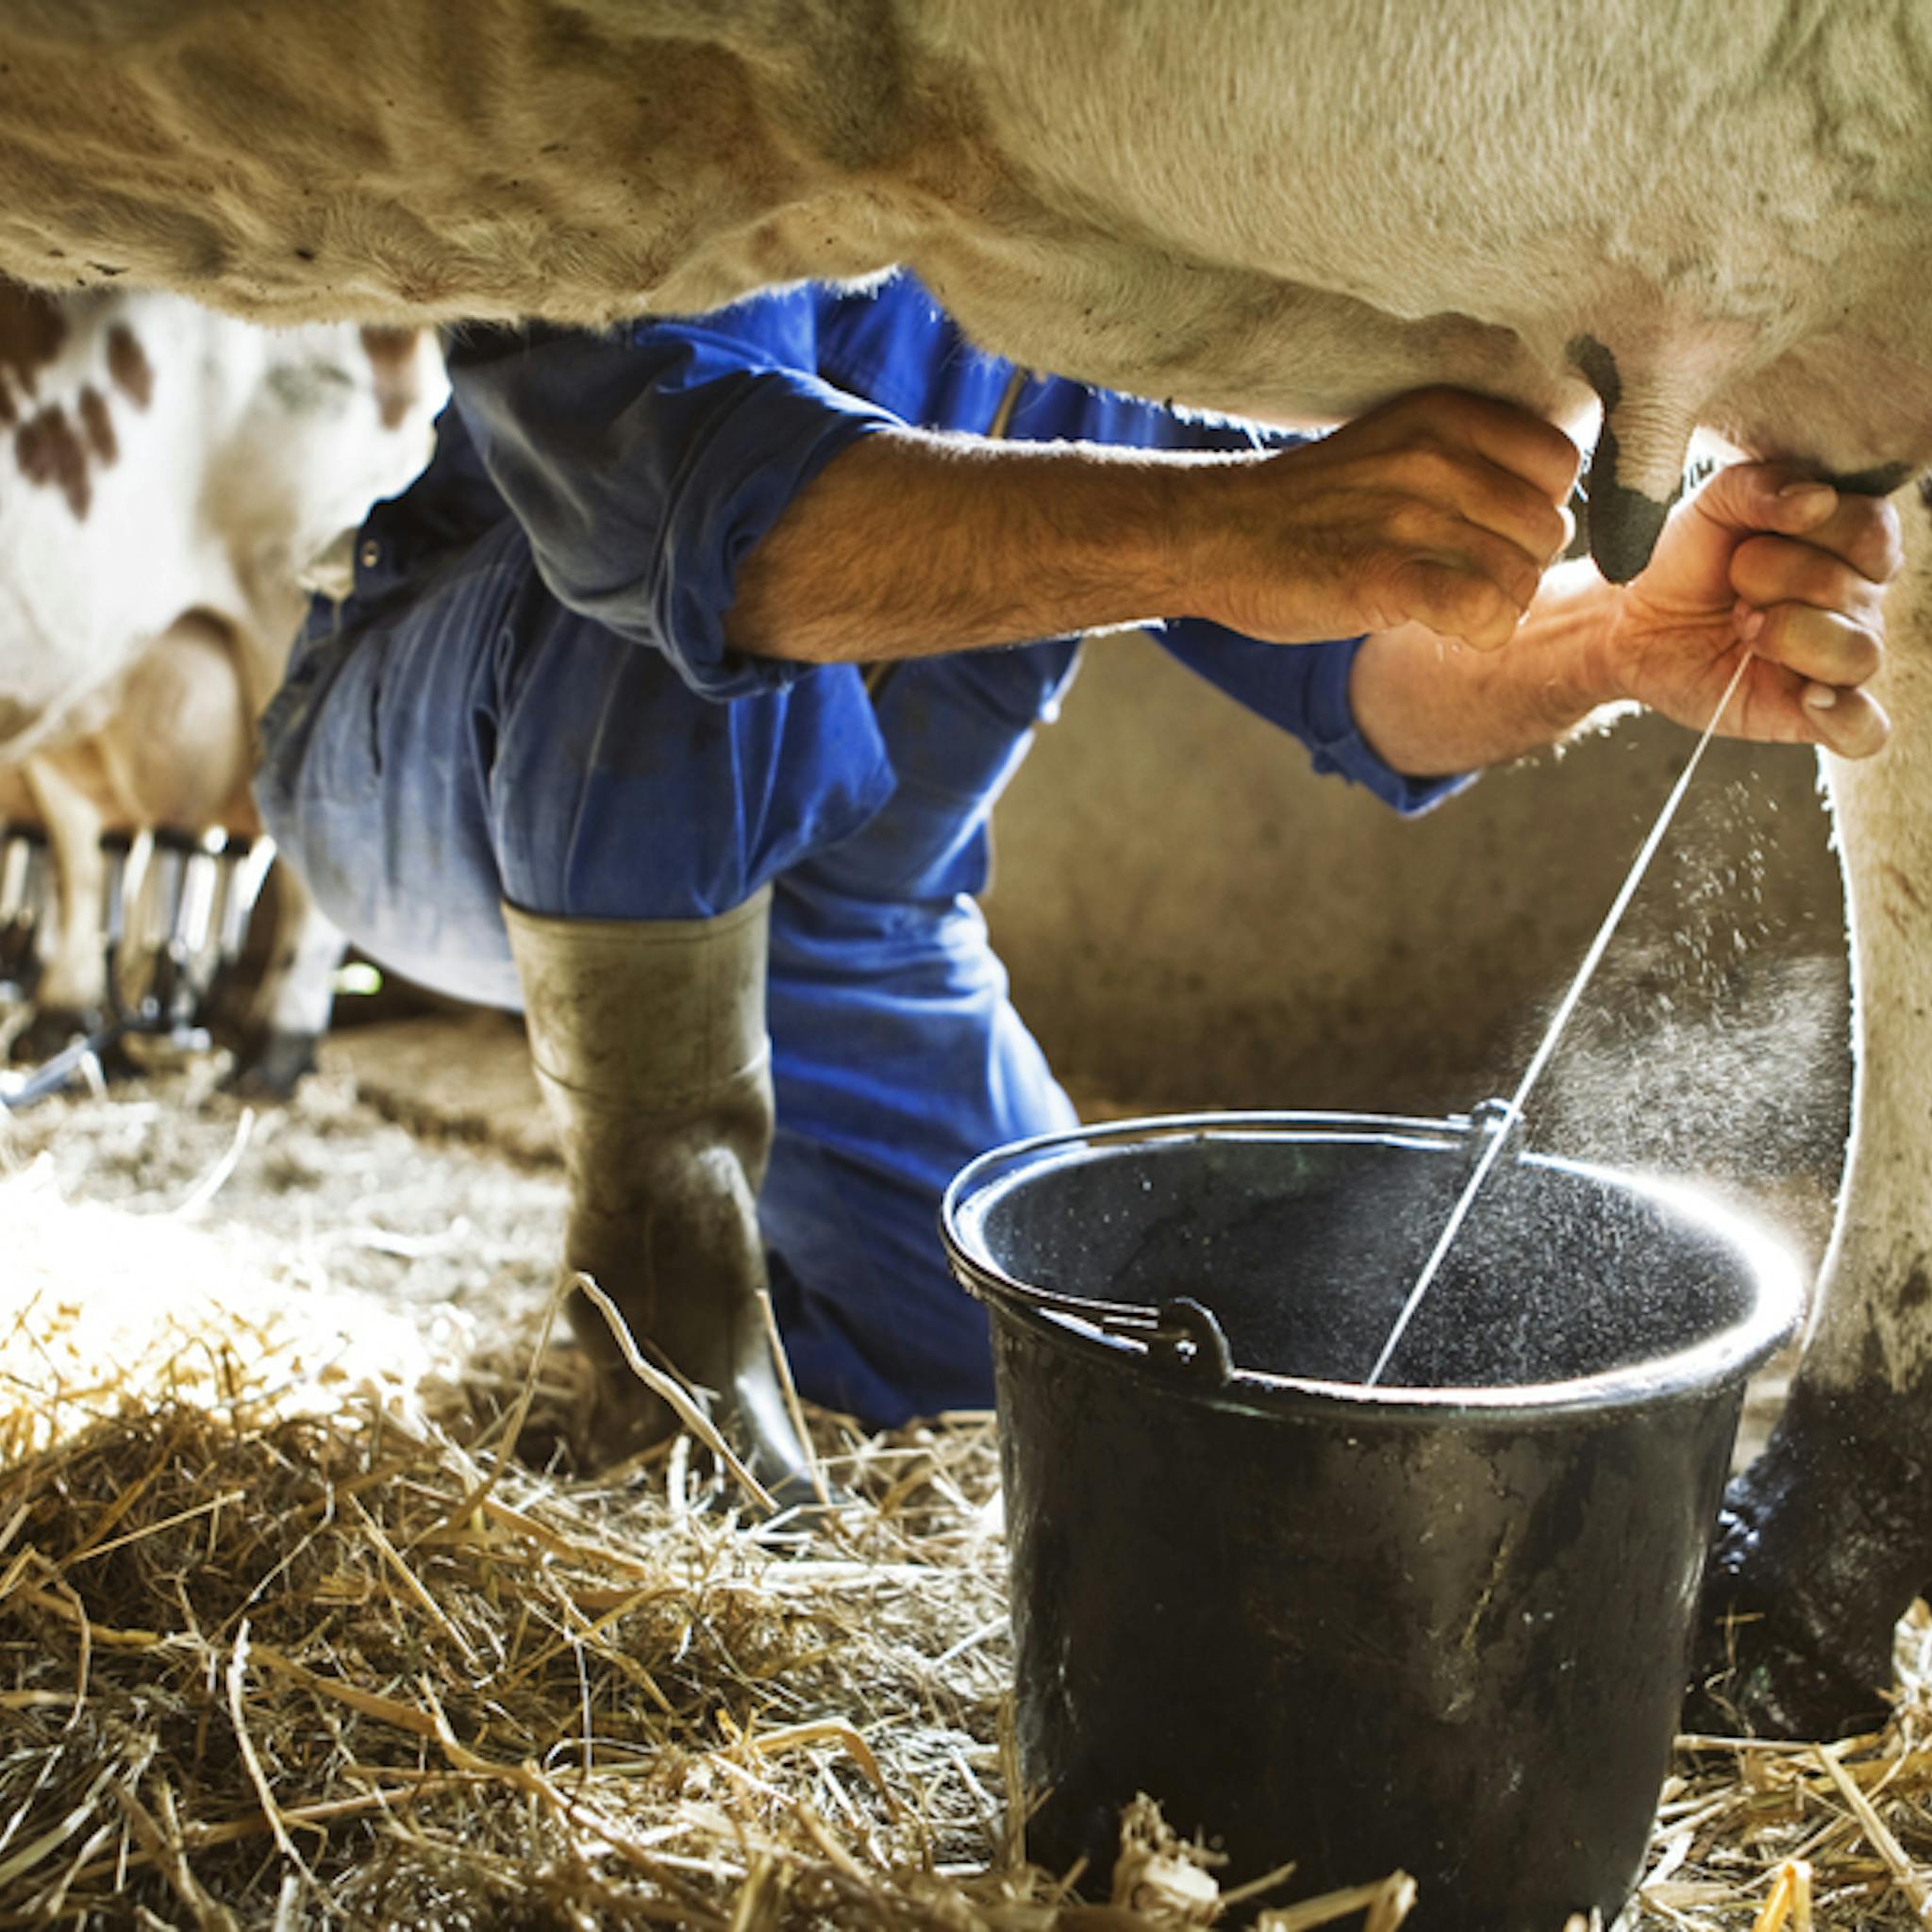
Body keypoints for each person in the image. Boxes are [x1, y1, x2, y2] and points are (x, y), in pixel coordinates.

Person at [255, 275, 1898, 1491]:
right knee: (678, 586)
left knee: (1038, 1350)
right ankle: (658, 1307)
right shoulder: (718, 120)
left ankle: (784, 1296)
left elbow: (1370, 672)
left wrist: (1616, 637)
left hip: (850, 933)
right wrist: (1231, 530)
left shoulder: (1122, 272)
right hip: (437, 759)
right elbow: (686, 515)